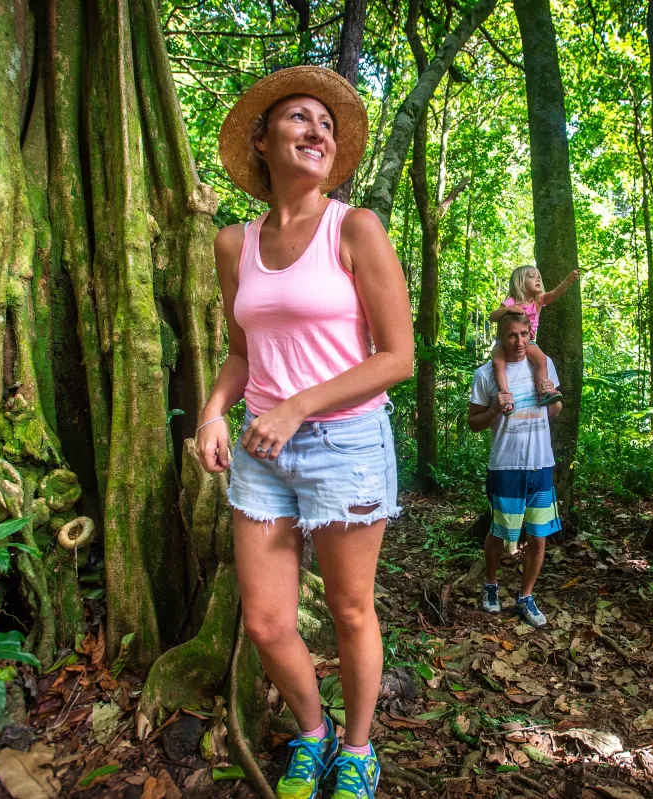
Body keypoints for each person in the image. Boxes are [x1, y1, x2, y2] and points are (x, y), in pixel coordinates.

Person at [195, 66, 414, 799]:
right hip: (262, 448)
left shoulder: (355, 227)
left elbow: (397, 357)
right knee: (263, 621)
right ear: (261, 140)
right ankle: (313, 734)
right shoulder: (235, 243)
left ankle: (358, 749)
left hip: (345, 443)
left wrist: (298, 406)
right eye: (297, 118)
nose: (316, 130)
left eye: (326, 123)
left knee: (351, 609)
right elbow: (239, 350)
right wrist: (212, 409)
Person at [468, 311, 563, 627]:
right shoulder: (486, 375)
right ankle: (491, 586)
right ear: (501, 338)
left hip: (541, 463)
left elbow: (556, 411)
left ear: (530, 335)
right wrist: (495, 408)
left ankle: (526, 597)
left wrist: (549, 397)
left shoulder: (541, 366)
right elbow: (473, 423)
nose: (519, 341)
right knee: (499, 531)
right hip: (506, 466)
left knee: (538, 536)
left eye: (524, 334)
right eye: (512, 335)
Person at [487, 264, 579, 414]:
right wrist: (506, 310)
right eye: (531, 276)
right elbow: (492, 317)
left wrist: (568, 281)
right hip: (504, 342)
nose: (537, 279)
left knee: (541, 359)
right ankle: (505, 397)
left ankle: (544, 391)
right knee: (498, 362)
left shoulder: (538, 301)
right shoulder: (511, 301)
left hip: (529, 342)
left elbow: (556, 293)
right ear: (519, 282)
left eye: (538, 277)